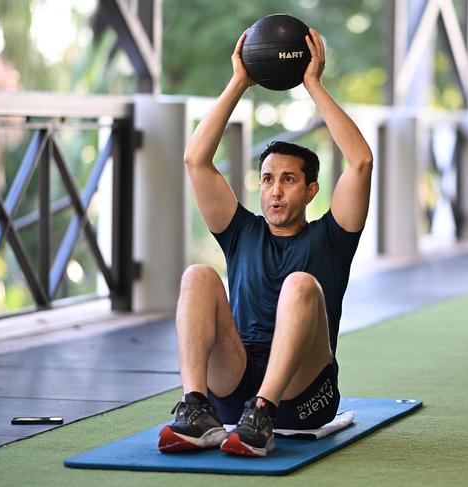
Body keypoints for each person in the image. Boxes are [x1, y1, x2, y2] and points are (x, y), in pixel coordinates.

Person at [158, 27, 373, 457]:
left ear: (311, 190)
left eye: (289, 180)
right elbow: (195, 160)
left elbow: (361, 161)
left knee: (300, 283)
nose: (275, 191)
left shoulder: (332, 238)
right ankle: (196, 409)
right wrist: (239, 80)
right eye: (268, 179)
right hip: (235, 382)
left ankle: (262, 414)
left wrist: (313, 83)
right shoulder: (243, 232)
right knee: (198, 275)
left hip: (302, 393)